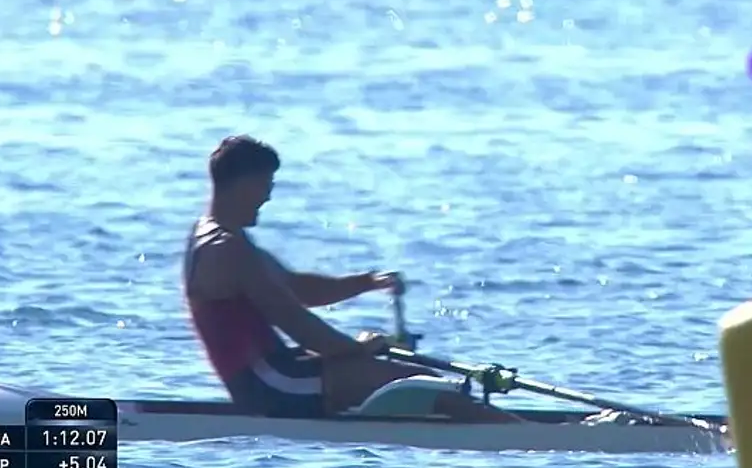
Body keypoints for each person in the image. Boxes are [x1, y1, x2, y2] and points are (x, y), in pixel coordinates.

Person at [183, 134, 520, 423]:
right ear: (245, 185)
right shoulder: (228, 250)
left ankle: (506, 429)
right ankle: (524, 439)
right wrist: (357, 348)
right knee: (423, 384)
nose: (268, 196)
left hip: (278, 372)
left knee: (417, 383)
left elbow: (297, 288)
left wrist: (367, 282)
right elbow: (297, 323)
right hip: (274, 385)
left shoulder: (213, 235)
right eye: (266, 186)